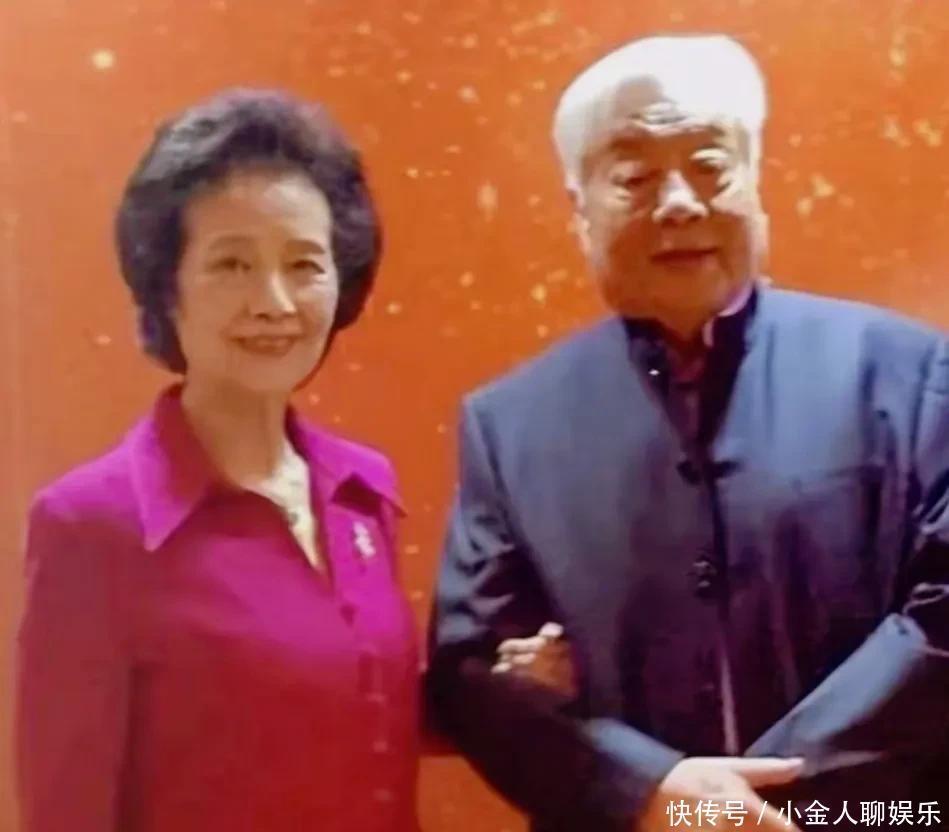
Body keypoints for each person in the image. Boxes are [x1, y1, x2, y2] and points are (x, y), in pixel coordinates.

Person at [427, 34, 949, 832]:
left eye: (709, 166)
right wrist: (646, 788)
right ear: (578, 208)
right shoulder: (509, 425)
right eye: (633, 177)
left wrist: (752, 797)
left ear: (755, 181)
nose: (678, 203)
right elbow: (472, 673)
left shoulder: (912, 373)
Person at [15, 89, 419, 832]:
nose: (274, 302)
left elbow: (356, 714)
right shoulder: (91, 526)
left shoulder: (363, 491)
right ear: (167, 287)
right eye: (232, 264)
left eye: (304, 264)